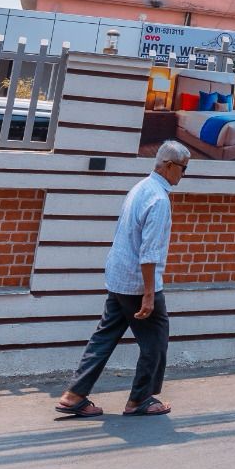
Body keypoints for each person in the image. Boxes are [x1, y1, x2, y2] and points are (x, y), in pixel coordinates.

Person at [55, 140, 190, 418]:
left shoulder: (140, 188)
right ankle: (140, 399)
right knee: (155, 339)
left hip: (118, 277)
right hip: (137, 282)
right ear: (168, 166)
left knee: (105, 336)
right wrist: (150, 294)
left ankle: (74, 395)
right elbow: (149, 253)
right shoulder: (159, 199)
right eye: (183, 169)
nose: (183, 175)